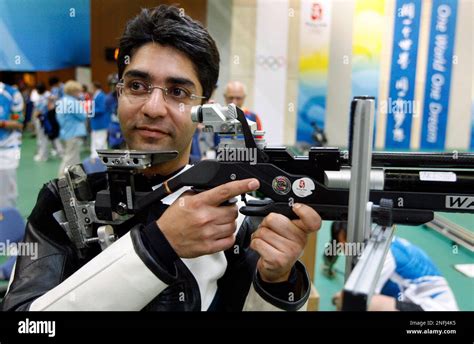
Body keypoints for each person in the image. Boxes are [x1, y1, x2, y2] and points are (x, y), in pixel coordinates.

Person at [1, 5, 321, 311]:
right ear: (120, 93)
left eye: (178, 92)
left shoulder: (231, 216)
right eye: (137, 85)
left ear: (206, 110)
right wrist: (156, 247)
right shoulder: (64, 204)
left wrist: (278, 282)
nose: (153, 107)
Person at [326, 221, 459, 311]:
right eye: (340, 242)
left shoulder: (382, 255)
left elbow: (360, 298)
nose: (344, 246)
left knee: (354, 301)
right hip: (417, 301)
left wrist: (338, 298)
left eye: (346, 240)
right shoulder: (380, 239)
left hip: (434, 308)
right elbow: (331, 252)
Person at [56, 80, 88, 177]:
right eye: (78, 91)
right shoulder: (72, 102)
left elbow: (59, 118)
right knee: (70, 157)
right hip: (73, 132)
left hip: (65, 131)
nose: (80, 93)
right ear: (73, 91)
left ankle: (78, 177)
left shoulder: (61, 101)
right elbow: (83, 116)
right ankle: (60, 178)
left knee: (74, 157)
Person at [0, 81, 24, 208]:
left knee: (7, 194)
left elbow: (19, 122)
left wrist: (2, 123)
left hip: (6, 150)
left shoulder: (11, 93)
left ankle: (8, 223)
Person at [90, 81, 110, 158]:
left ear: (95, 87)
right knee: (96, 140)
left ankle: (100, 157)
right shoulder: (96, 95)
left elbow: (102, 109)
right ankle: (97, 156)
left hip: (101, 122)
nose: (90, 89)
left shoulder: (101, 96)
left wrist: (90, 111)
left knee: (100, 141)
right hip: (96, 122)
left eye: (91, 87)